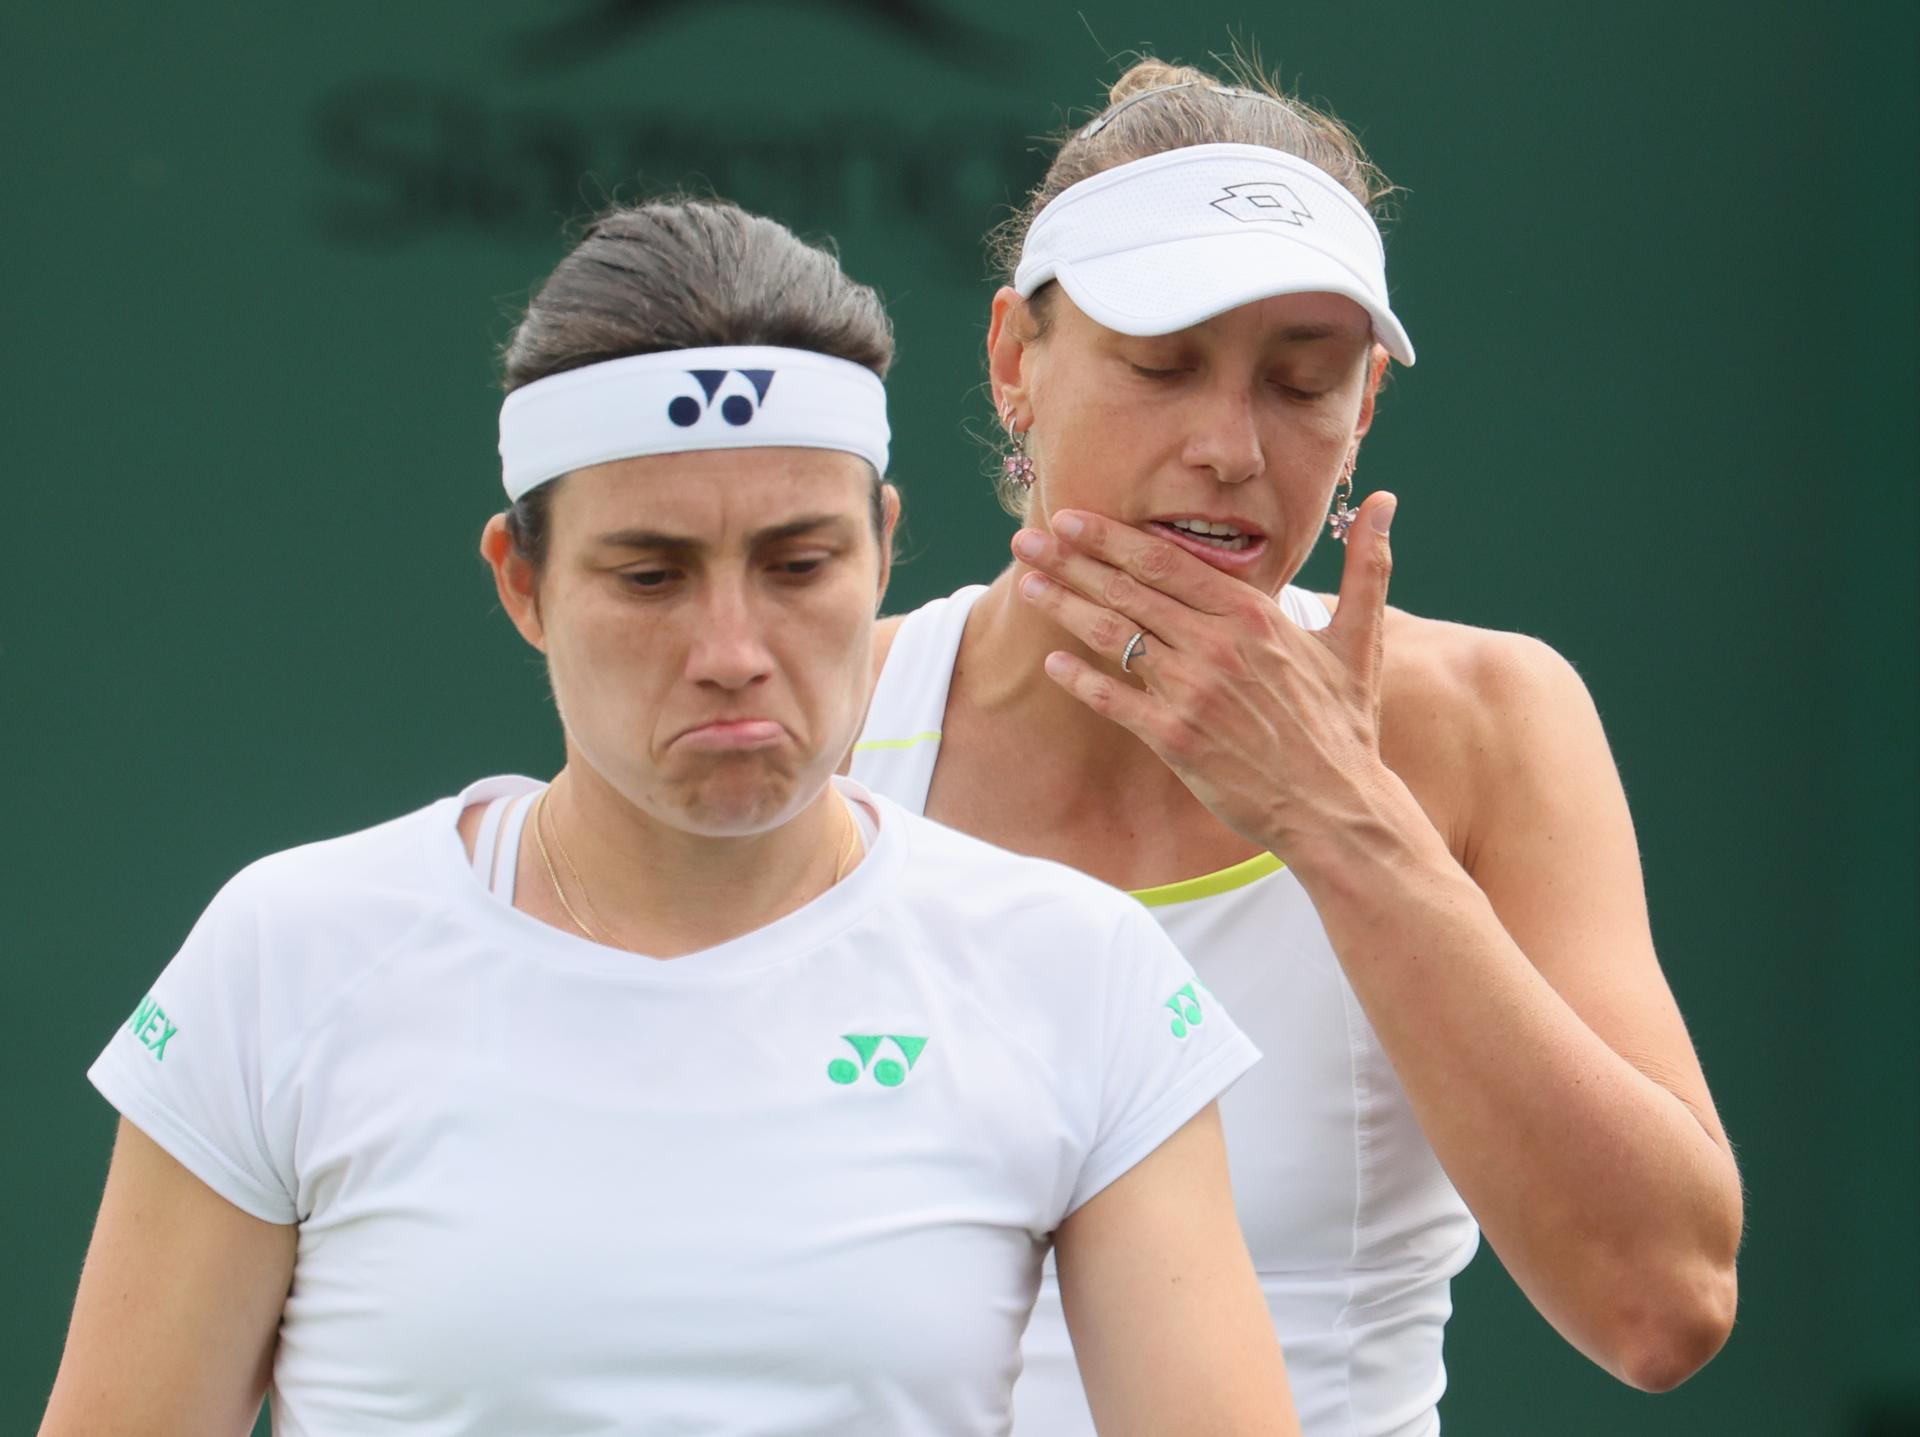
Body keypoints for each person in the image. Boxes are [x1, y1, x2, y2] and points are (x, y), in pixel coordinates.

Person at [39, 197, 1303, 1437]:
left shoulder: (1078, 976)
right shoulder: (286, 956)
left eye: (800, 566)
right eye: (649, 577)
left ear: (883, 548)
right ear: (521, 583)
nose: (732, 650)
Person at [850, 59, 1744, 1437]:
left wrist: (1337, 812)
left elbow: (1663, 1304)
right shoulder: (830, 718)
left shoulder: (1497, 721)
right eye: (1161, 365)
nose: (1227, 446)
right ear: (1014, 363)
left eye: (1301, 382)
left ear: (1364, 409)